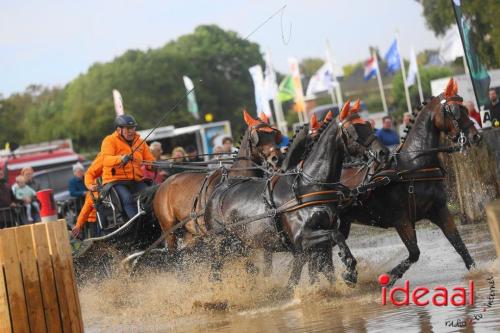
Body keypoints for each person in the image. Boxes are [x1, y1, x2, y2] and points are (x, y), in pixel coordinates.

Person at [100, 114, 155, 220]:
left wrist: (152, 165)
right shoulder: (109, 141)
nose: (131, 131)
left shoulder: (140, 142)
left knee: (151, 195)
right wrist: (120, 159)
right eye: (128, 129)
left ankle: (151, 221)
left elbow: (149, 160)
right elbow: (105, 160)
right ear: (118, 129)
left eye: (133, 128)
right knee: (127, 199)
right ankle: (136, 224)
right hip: (115, 181)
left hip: (135, 180)